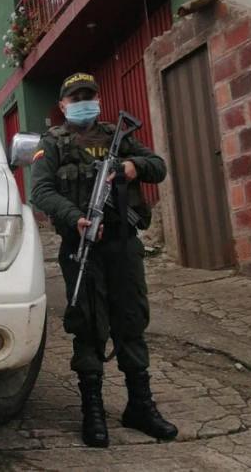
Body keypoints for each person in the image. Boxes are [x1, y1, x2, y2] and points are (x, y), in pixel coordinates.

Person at [30, 72, 178, 448]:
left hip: (123, 243)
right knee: (89, 324)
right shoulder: (53, 143)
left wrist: (134, 167)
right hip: (82, 247)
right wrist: (73, 218)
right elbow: (41, 192)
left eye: (88, 95)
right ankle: (92, 411)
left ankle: (140, 406)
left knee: (130, 319)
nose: (83, 102)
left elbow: (159, 165)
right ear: (62, 105)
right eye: (75, 97)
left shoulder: (120, 137)